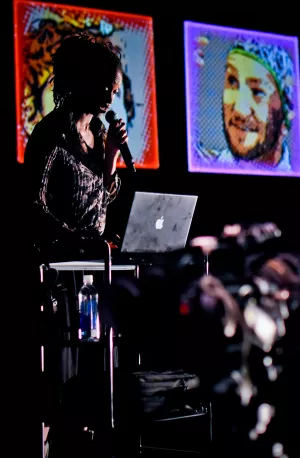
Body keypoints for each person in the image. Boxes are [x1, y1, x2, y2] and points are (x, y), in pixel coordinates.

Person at [24, 33, 128, 258]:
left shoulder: (100, 133)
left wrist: (111, 153)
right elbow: (32, 206)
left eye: (114, 91)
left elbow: (103, 199)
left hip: (91, 261)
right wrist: (77, 242)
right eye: (104, 87)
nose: (109, 98)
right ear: (84, 81)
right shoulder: (52, 133)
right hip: (56, 263)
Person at [195, 38, 295, 172]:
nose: (239, 110)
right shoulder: (201, 163)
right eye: (232, 81)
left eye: (257, 92)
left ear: (285, 117)